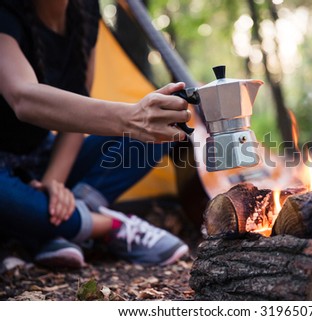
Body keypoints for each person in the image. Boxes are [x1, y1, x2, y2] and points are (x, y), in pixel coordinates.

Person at [0, 0, 192, 268]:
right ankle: (107, 225)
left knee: (167, 124)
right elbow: (23, 98)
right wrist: (132, 117)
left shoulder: (85, 11)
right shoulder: (6, 15)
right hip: (4, 171)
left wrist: (53, 183)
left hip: (44, 158)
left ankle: (46, 227)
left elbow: (76, 115)